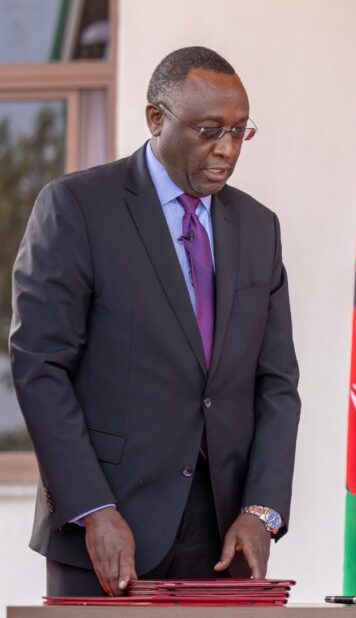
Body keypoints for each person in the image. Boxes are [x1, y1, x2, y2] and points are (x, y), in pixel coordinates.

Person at [10, 46, 300, 597]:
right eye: (209, 130)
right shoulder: (76, 207)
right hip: (107, 531)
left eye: (240, 131)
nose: (227, 149)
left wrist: (261, 511)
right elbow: (40, 368)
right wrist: (93, 508)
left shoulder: (259, 228)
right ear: (155, 118)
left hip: (224, 539)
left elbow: (278, 384)